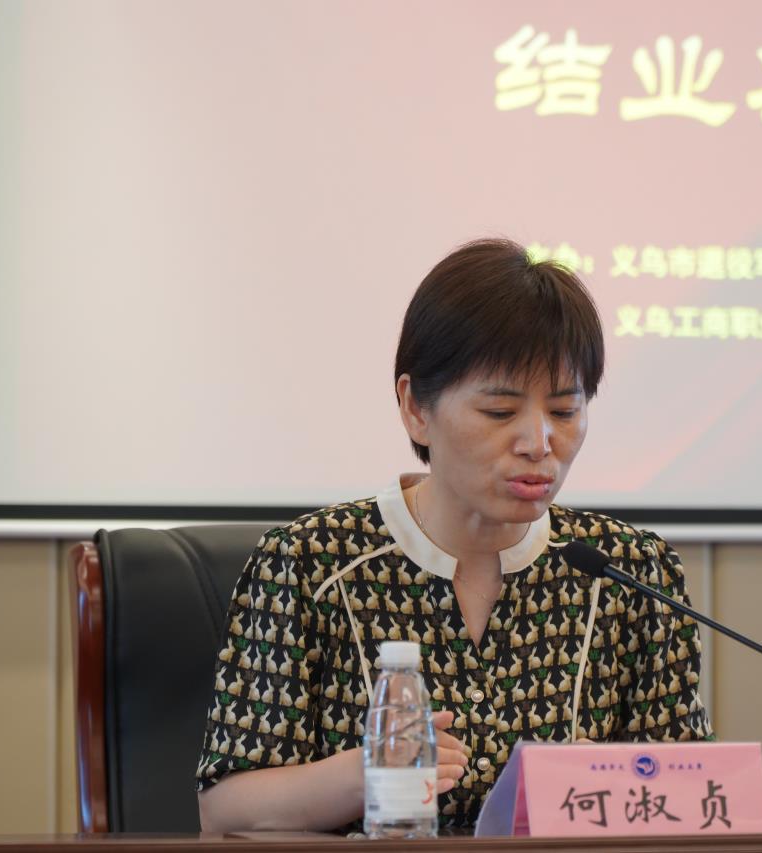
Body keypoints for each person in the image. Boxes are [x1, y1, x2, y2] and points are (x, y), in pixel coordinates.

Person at [195, 238, 712, 834]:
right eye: (499, 412)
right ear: (416, 408)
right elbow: (223, 813)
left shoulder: (631, 571)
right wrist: (367, 774)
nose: (538, 443)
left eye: (565, 412)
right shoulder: (307, 564)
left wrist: (620, 786)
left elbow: (688, 801)